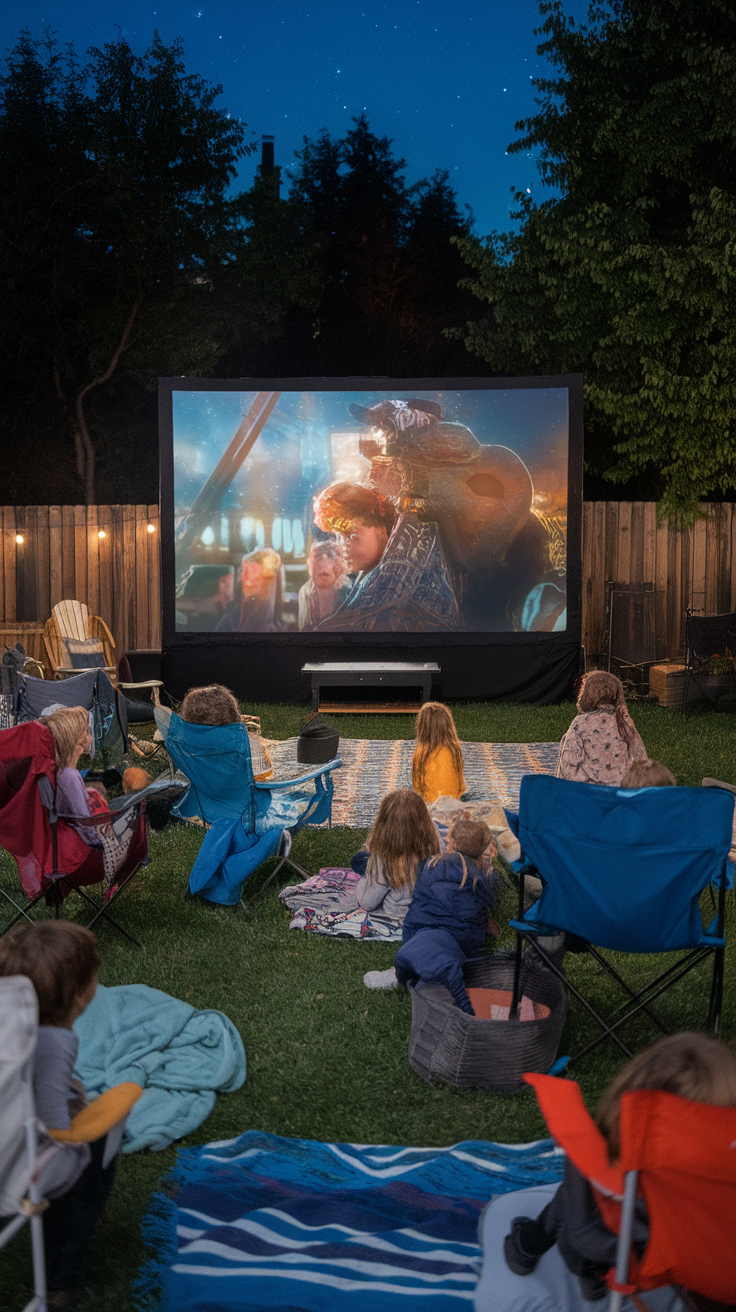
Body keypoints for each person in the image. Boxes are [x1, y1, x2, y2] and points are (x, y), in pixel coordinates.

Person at [502, 1031, 736, 1303]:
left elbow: (583, 1231)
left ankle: (528, 1246)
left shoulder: (621, 1176)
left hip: (625, 1257)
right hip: (716, 1277)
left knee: (585, 1174)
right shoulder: (724, 1171)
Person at [0, 921, 117, 1308]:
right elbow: (53, 1124)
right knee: (101, 1149)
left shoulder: (10, 1025)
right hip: (18, 1162)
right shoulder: (56, 1042)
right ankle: (61, 1279)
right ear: (82, 993)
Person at [311, 481, 460, 632]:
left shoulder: (406, 580)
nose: (342, 546)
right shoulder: (367, 577)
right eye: (338, 536)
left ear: (381, 530)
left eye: (352, 534)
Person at [386, 818, 496, 1010]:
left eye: (449, 837)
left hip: (424, 933)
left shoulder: (431, 865)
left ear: (454, 844)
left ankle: (423, 968)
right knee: (437, 953)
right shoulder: (485, 877)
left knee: (424, 947)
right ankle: (438, 968)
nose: (445, 837)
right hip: (467, 946)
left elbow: (420, 903)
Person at [353, 789, 441, 927]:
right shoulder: (432, 842)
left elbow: (368, 902)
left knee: (359, 861)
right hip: (429, 911)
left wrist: (363, 881)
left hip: (400, 914)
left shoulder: (383, 857)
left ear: (383, 823)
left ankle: (365, 866)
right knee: (360, 860)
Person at [556, 671, 647, 786]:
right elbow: (640, 757)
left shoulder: (580, 722)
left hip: (588, 789)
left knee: (565, 740)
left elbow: (568, 763)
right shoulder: (623, 722)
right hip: (619, 788)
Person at [40, 706, 102, 846]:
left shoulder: (60, 771)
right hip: (76, 844)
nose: (89, 737)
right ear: (79, 742)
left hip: (65, 836)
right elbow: (83, 818)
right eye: (86, 732)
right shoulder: (69, 776)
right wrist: (99, 843)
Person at [412, 701, 466, 804]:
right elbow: (460, 787)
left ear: (422, 727)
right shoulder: (454, 749)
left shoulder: (420, 753)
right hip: (454, 805)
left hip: (431, 808)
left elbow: (417, 789)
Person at [216, 548, 282, 632]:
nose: (245, 578)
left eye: (253, 570)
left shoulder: (276, 627)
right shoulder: (231, 619)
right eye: (244, 571)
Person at [298, 540, 353, 631]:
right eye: (318, 564)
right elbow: (304, 628)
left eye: (328, 563)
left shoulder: (348, 590)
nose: (322, 567)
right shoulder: (306, 591)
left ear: (338, 568)